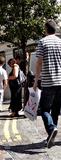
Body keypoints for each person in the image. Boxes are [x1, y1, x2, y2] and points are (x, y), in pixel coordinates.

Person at [33, 19, 61, 148]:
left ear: (46, 30)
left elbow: (39, 63)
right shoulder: (60, 42)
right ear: (55, 29)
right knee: (55, 110)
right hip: (60, 81)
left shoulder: (42, 42)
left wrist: (35, 81)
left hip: (48, 82)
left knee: (44, 109)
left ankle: (51, 129)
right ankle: (52, 134)